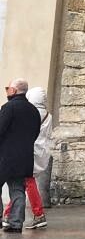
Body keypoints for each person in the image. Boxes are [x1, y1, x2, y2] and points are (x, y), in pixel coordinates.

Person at [2, 86, 50, 230]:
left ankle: (36, 213)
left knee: (27, 184)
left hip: (11, 155)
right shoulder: (40, 113)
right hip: (30, 154)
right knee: (19, 188)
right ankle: (15, 221)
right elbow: (35, 132)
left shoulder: (11, 107)